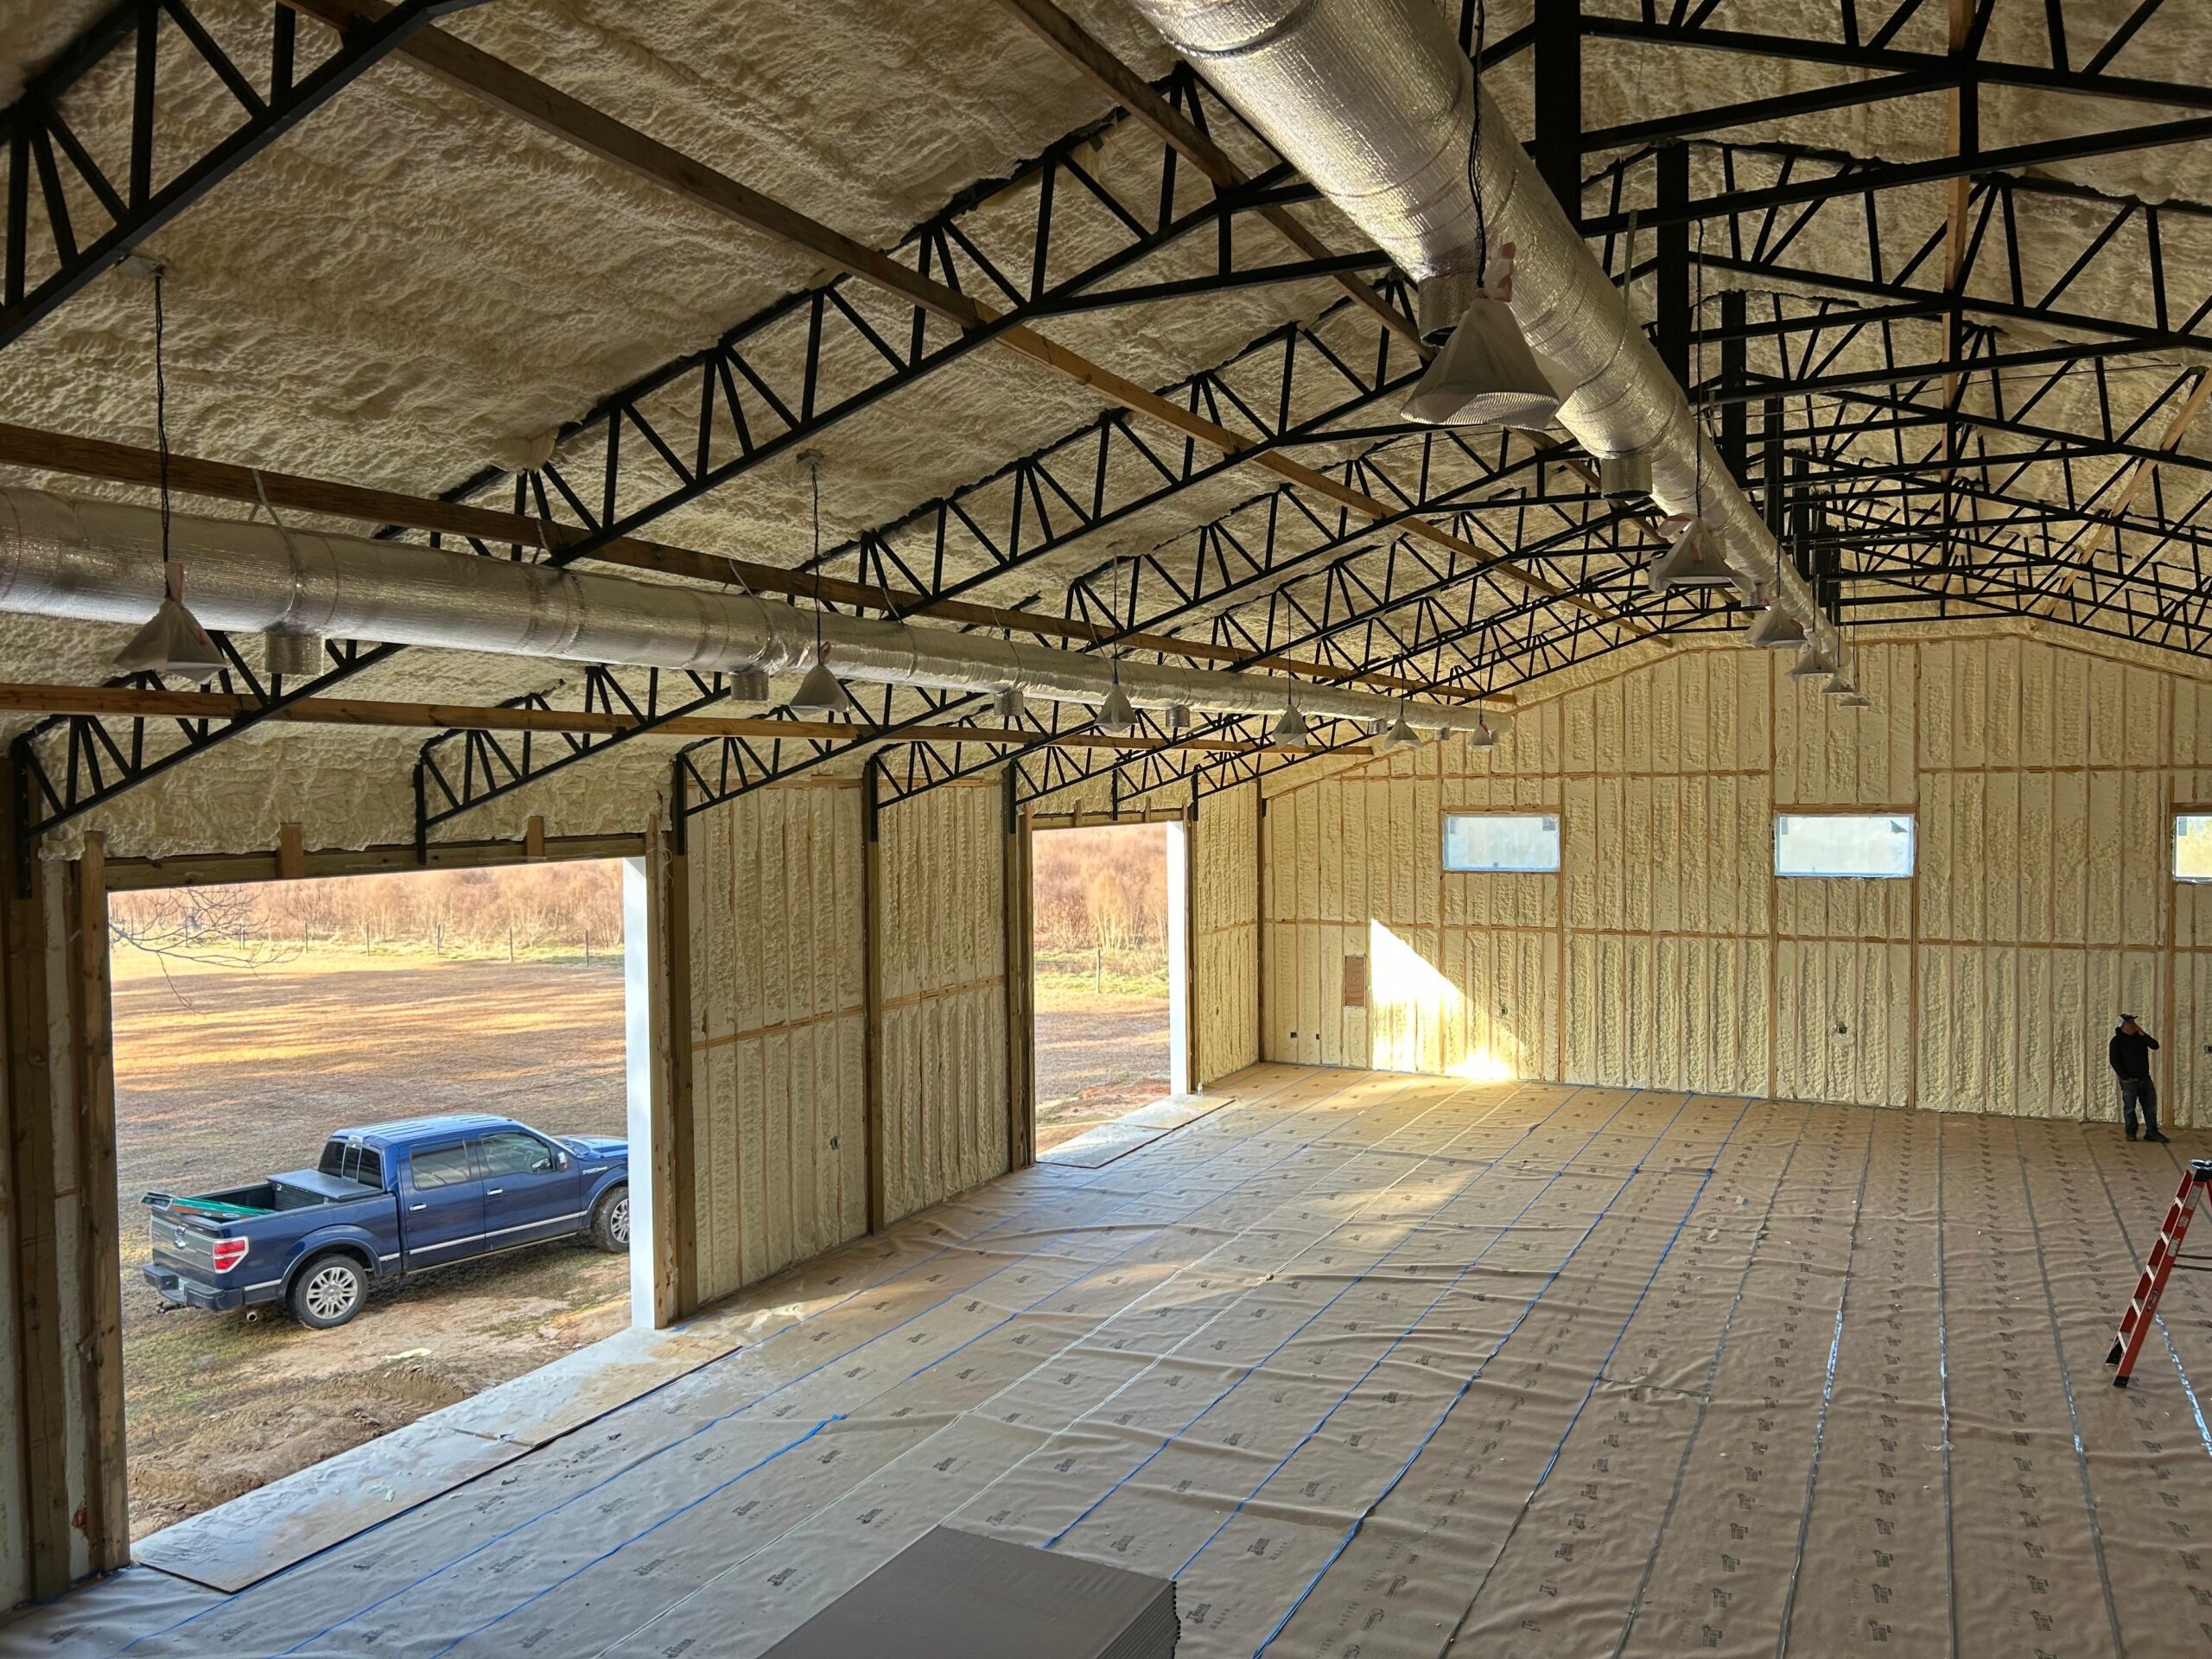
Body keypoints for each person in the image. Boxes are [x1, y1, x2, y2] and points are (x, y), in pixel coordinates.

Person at [2110, 1014, 2167, 1143]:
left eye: (2133, 1022)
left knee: (2150, 1107)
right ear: (2123, 1025)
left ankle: (2152, 1132)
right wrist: (2124, 1078)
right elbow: (2114, 1061)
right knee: (2130, 1108)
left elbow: (2155, 1045)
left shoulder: (2140, 1038)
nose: (2133, 1025)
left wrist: (2143, 1033)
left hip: (2144, 1078)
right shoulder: (2117, 1041)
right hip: (2129, 1080)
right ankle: (2131, 1132)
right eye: (2130, 1022)